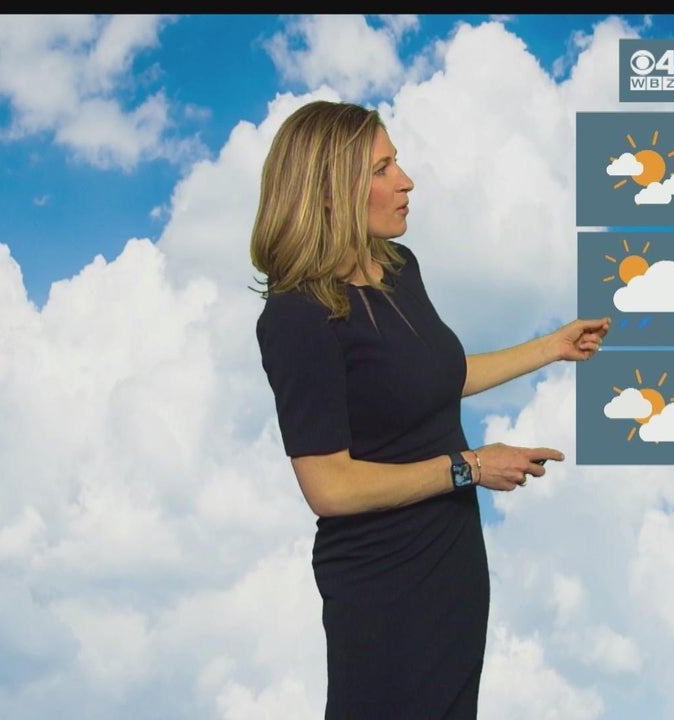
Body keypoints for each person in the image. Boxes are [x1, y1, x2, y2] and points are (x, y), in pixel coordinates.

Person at [249, 99, 610, 719]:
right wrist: (470, 466)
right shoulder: (296, 319)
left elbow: (435, 378)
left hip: (452, 564)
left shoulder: (398, 269)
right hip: (382, 585)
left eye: (397, 162)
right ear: (331, 194)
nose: (407, 181)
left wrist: (552, 348)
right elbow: (329, 487)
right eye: (382, 169)